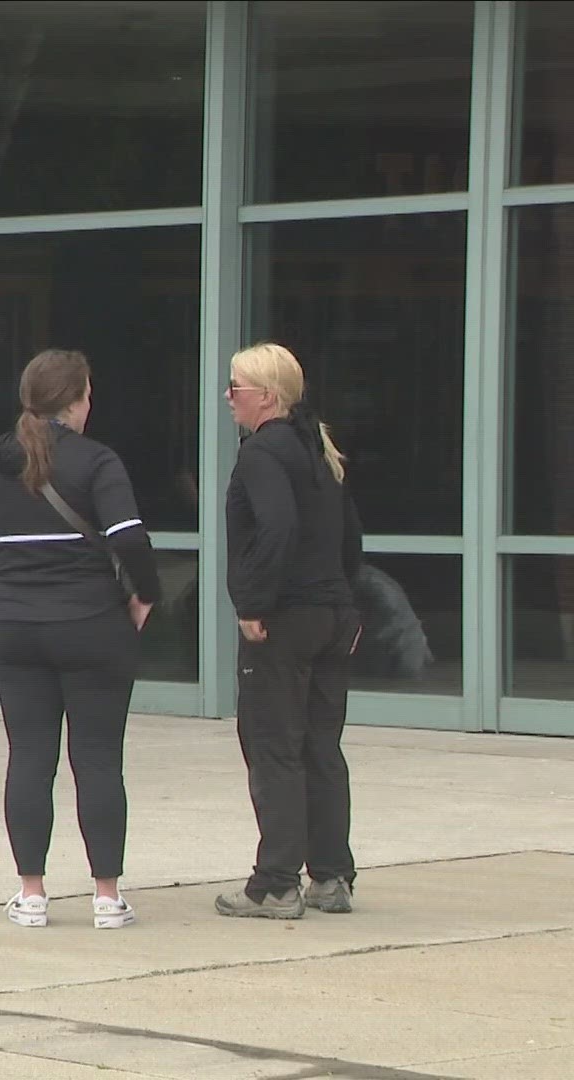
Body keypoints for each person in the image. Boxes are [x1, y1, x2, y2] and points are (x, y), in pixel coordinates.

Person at [0, 349, 163, 930]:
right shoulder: (97, 462)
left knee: (28, 756)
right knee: (97, 758)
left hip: (16, 630)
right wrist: (145, 596)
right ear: (76, 402)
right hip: (93, 626)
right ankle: (106, 896)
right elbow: (129, 539)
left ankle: (31, 894)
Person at [217, 342, 364, 920]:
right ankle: (330, 876)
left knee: (274, 746)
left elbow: (275, 528)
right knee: (320, 745)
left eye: (237, 388)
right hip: (329, 617)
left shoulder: (262, 453)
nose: (228, 398)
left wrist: (253, 602)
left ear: (268, 397)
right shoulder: (318, 450)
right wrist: (346, 606)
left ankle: (276, 883)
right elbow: (350, 537)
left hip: (284, 620)